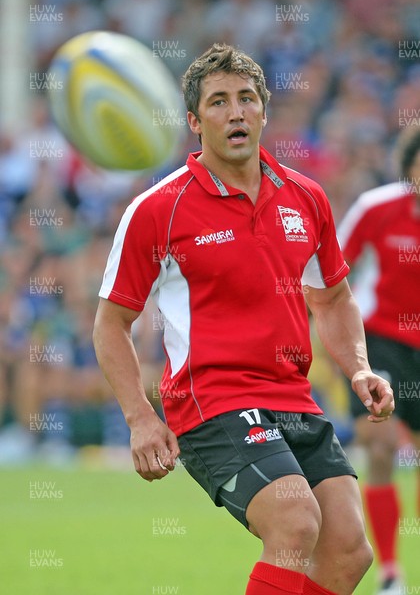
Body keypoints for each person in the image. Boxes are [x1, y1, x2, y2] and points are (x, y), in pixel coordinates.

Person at [93, 44, 394, 595]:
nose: (236, 112)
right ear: (194, 120)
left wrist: (358, 369)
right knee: (295, 521)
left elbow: (331, 299)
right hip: (212, 402)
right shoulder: (159, 209)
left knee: (350, 551)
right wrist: (139, 417)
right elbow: (111, 322)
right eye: (219, 102)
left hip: (292, 397)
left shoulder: (306, 197)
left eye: (247, 99)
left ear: (263, 110)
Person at [337, 126, 420, 595]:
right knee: (383, 447)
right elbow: (330, 270)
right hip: (382, 341)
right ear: (409, 167)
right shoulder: (376, 209)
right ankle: (390, 574)